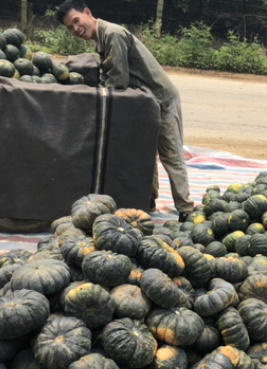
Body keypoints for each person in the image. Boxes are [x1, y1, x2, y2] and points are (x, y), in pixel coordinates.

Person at [56, 0, 194, 221]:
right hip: (145, 103)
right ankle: (148, 201)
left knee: (171, 155)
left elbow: (117, 80)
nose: (75, 29)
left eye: (75, 21)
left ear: (88, 13)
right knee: (147, 153)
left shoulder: (112, 34)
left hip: (161, 98)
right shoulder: (100, 38)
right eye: (69, 27)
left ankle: (186, 209)